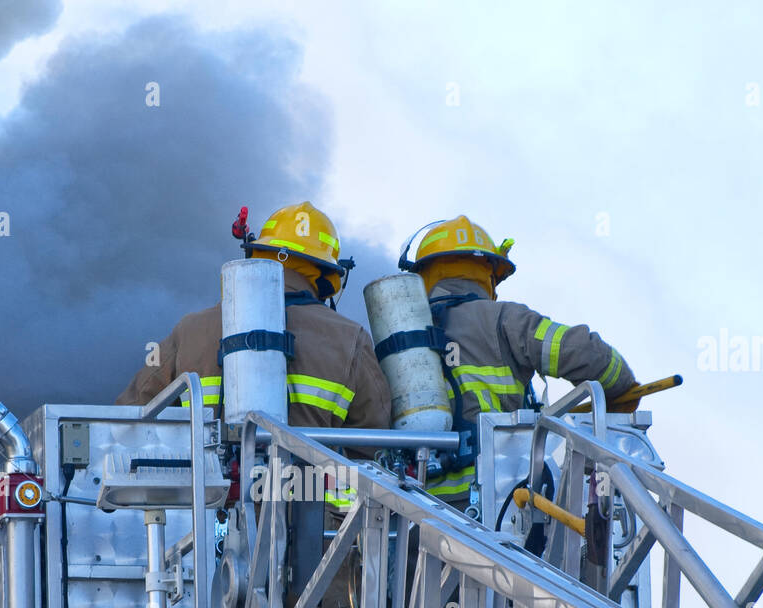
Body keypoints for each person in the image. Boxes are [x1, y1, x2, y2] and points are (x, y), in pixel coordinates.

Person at [399, 214, 639, 505]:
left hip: (419, 506)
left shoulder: (398, 338)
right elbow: (586, 353)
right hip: (497, 504)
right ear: (488, 275)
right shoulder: (505, 320)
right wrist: (620, 389)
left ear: (422, 275)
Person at [118, 201, 390, 435]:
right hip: (309, 493)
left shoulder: (189, 330)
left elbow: (130, 414)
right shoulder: (352, 339)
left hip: (209, 494)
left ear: (255, 253)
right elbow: (373, 445)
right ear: (327, 276)